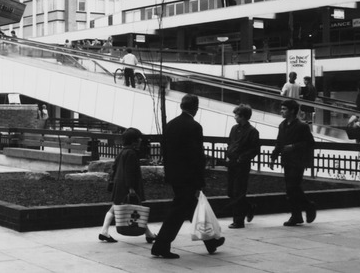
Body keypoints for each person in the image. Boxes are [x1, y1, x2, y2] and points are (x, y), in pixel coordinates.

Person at [150, 94, 225, 259]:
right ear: (196, 108)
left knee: (192, 207)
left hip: (175, 175)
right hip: (188, 177)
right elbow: (196, 156)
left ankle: (211, 241)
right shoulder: (194, 126)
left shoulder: (170, 125)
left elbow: (167, 152)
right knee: (178, 211)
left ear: (181, 106)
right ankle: (161, 245)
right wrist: (199, 181)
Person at [98, 127, 157, 243]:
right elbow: (130, 172)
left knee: (116, 207)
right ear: (134, 141)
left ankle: (104, 231)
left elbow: (114, 168)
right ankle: (149, 234)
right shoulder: (131, 153)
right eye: (139, 138)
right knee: (138, 210)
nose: (141, 140)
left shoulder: (122, 152)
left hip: (119, 184)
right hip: (127, 186)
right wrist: (131, 187)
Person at [270, 99, 317, 227]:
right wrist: (274, 156)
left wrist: (293, 146)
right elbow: (279, 142)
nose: (282, 111)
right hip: (287, 160)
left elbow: (310, 143)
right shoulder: (282, 125)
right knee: (290, 190)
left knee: (293, 187)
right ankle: (297, 215)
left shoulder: (302, 126)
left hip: (298, 161)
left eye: (284, 109)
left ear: (292, 111)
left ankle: (307, 206)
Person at [224, 104, 260, 229]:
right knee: (231, 191)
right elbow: (230, 143)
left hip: (242, 164)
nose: (235, 117)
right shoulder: (234, 129)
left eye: (237, 115)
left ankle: (238, 220)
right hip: (232, 163)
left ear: (243, 116)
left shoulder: (252, 132)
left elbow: (255, 149)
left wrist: (242, 157)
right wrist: (228, 155)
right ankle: (249, 207)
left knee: (238, 191)